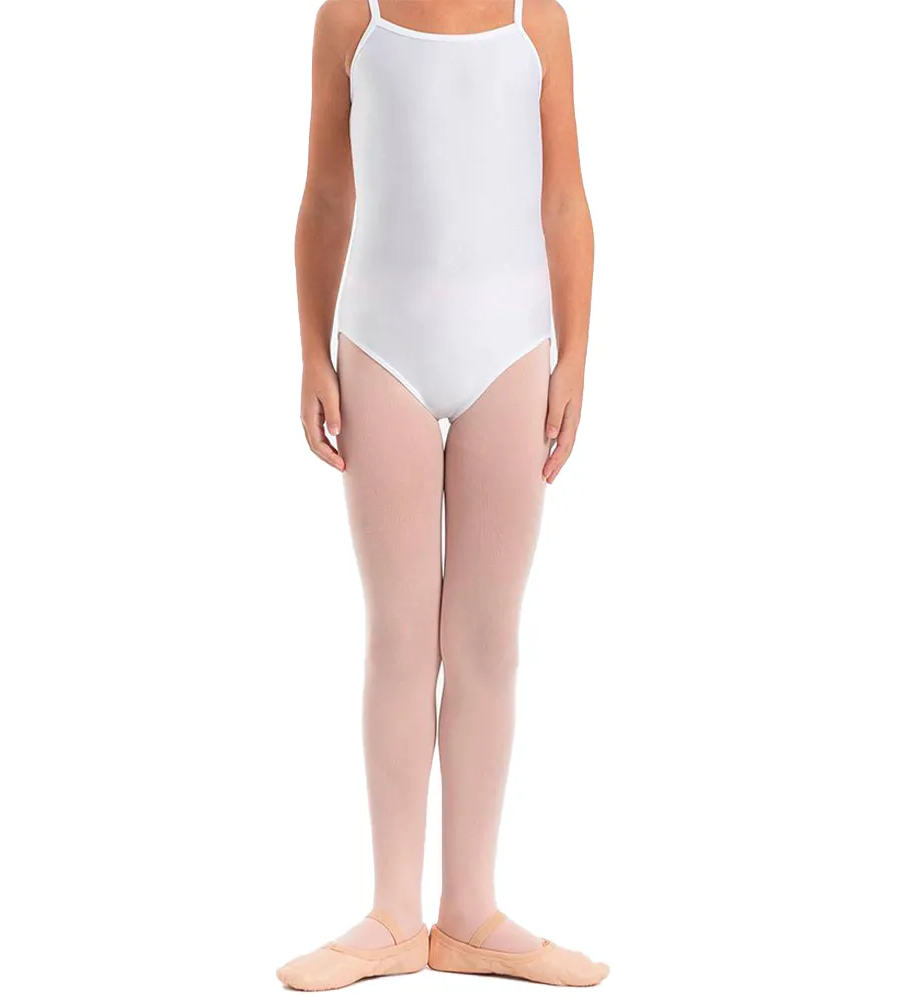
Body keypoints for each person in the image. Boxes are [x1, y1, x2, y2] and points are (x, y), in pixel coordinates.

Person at [278, 0, 605, 989]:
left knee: (486, 639)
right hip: (382, 347)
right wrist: (311, 352)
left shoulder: (537, 23)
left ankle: (469, 913)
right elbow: (325, 197)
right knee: (399, 634)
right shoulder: (351, 20)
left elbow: (564, 201)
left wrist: (576, 358)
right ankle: (391, 914)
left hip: (512, 350)